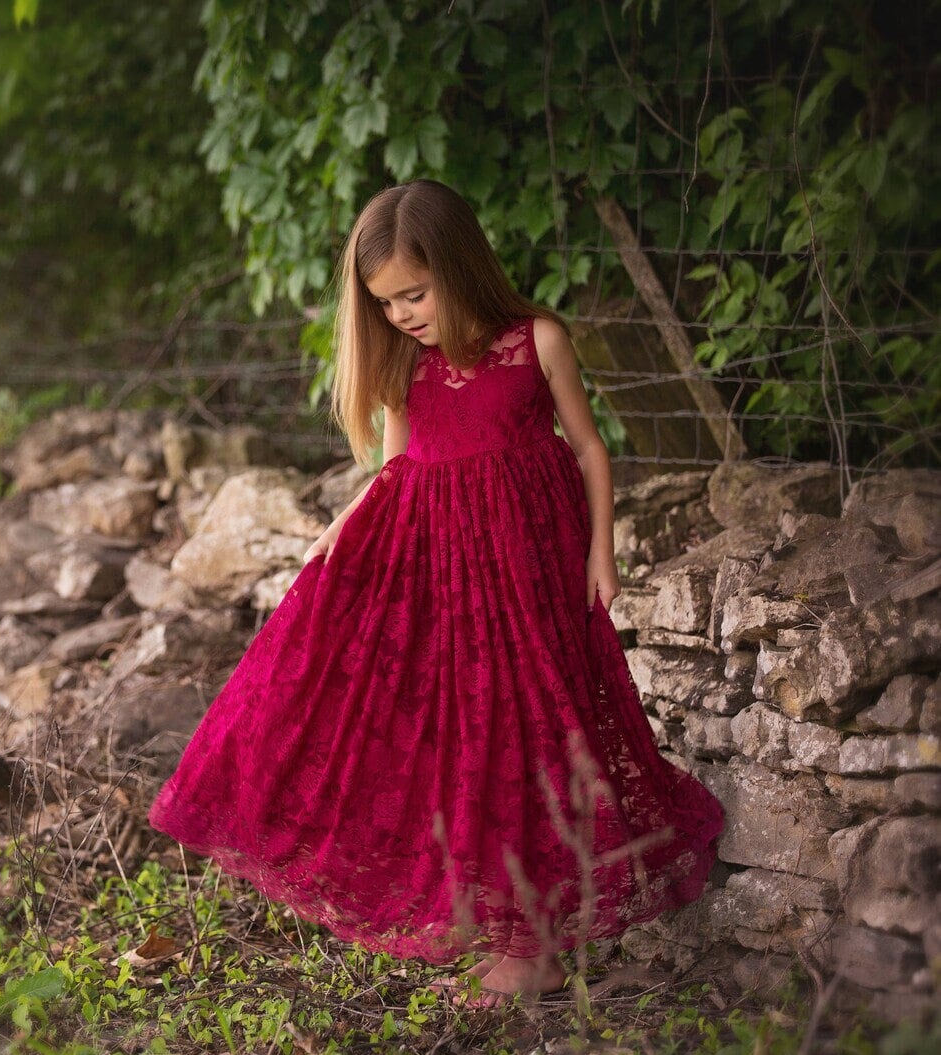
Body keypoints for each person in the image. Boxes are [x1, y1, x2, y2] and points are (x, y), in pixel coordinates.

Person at [145, 179, 727, 1009]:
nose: (403, 315)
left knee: (536, 728)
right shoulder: (408, 366)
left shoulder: (538, 341)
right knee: (464, 734)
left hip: (531, 565)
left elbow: (591, 450)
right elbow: (397, 468)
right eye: (385, 304)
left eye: (414, 294)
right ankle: (500, 925)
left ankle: (534, 949)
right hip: (446, 569)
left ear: (459, 268)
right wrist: (339, 527)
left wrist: (604, 553)